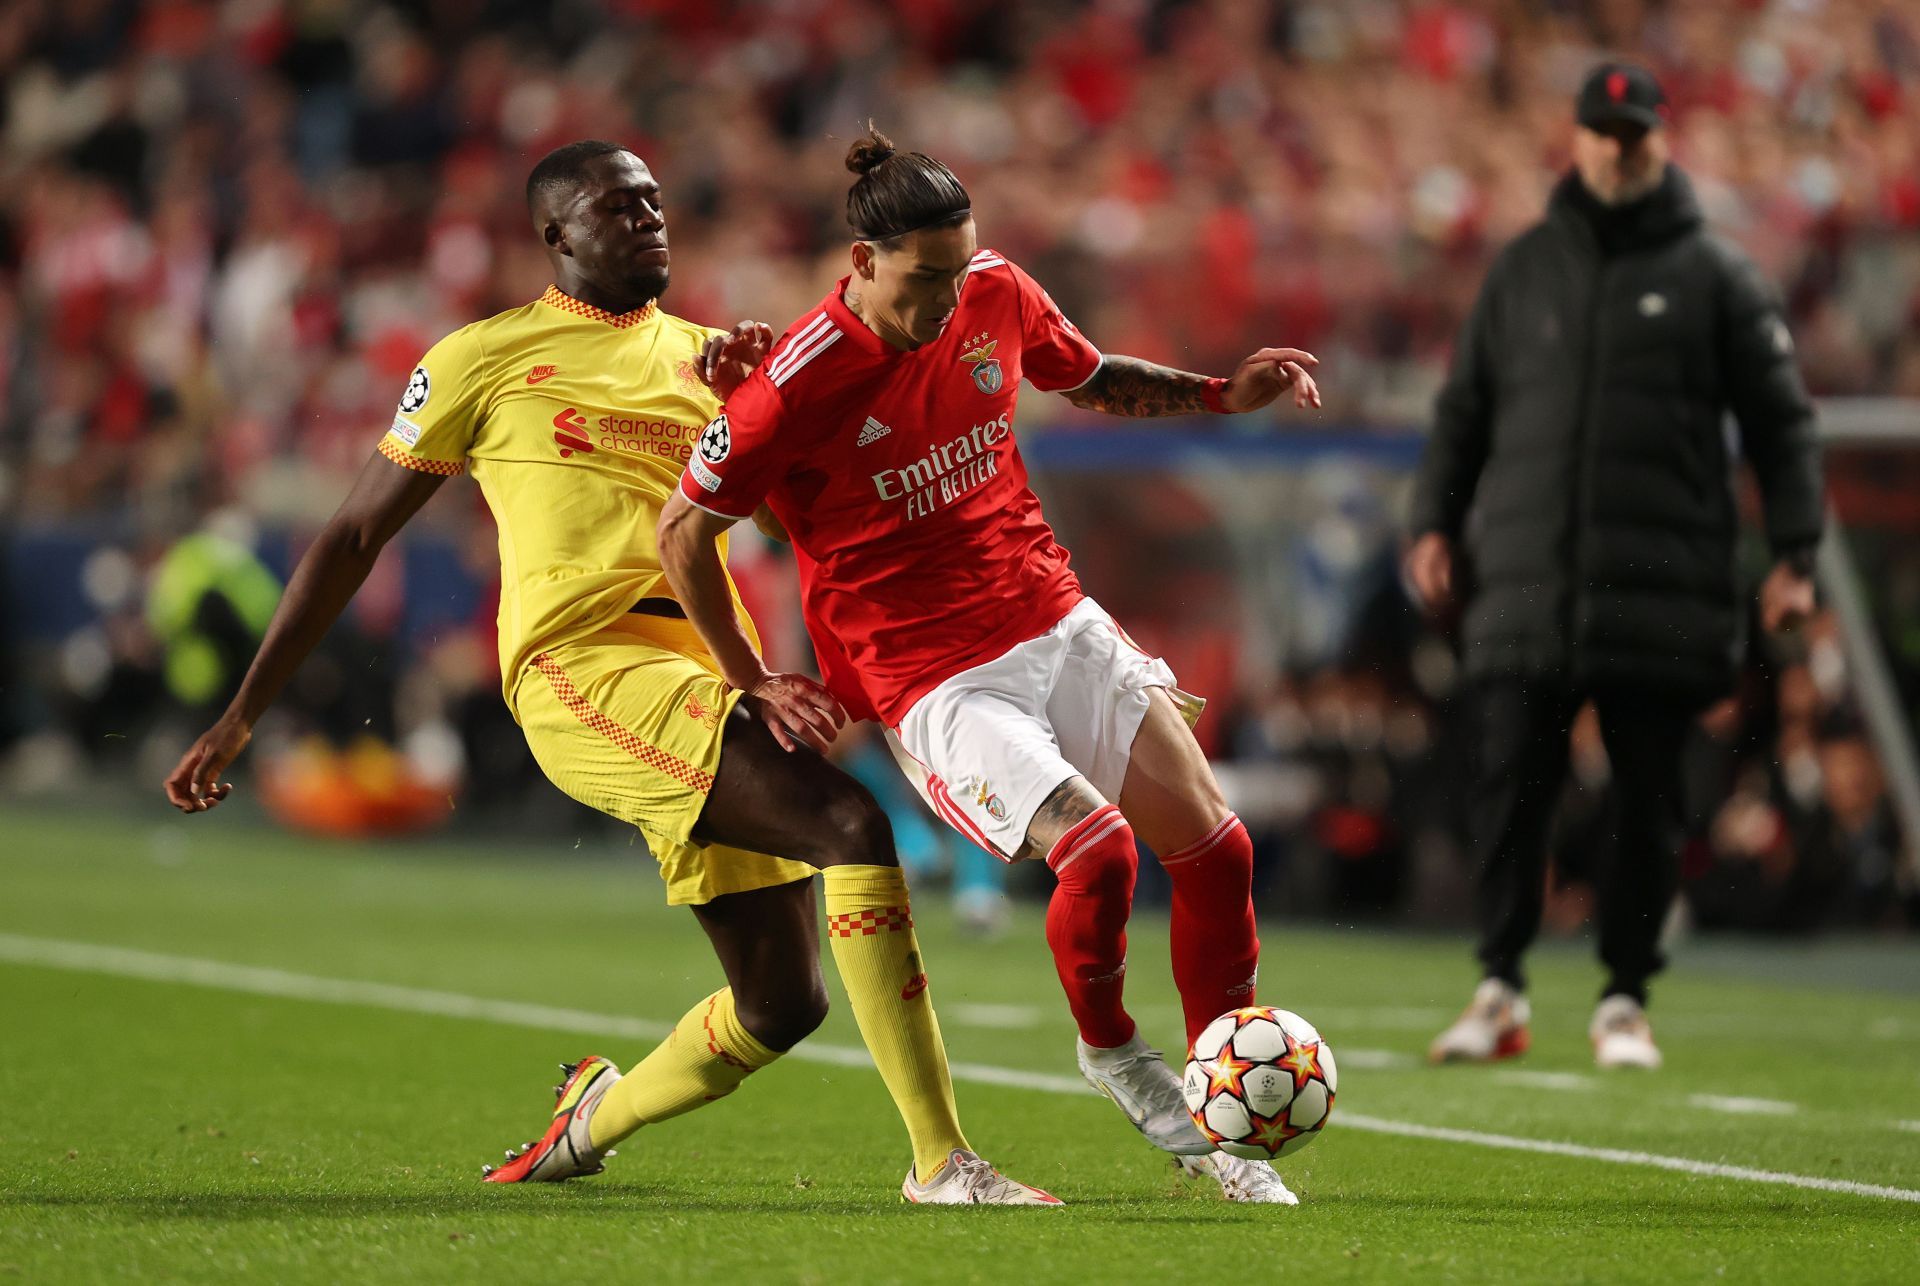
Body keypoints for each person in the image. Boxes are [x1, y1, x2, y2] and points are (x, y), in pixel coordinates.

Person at [161, 140, 1055, 1207]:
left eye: (654, 201)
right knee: (850, 826)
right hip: (583, 667)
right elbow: (354, 535)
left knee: (782, 1004)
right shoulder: (479, 358)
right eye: (617, 206)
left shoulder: (716, 357)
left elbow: (791, 518)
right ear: (556, 236)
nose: (648, 218)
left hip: (707, 678)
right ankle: (943, 1161)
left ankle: (591, 1121)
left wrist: (766, 411)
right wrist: (243, 713)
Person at [657, 127, 1321, 1205]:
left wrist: (1217, 393)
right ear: (861, 262)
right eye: (924, 279)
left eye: (959, 269)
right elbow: (683, 529)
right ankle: (1110, 1048)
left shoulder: (996, 291)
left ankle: (1224, 1117)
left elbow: (1092, 375)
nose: (945, 298)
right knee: (1097, 855)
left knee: (1219, 848)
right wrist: (751, 677)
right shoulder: (792, 382)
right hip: (932, 672)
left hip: (1049, 609)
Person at [1406, 64, 1824, 1070]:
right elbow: (1464, 410)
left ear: (1662, 141)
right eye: (1602, 130)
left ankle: (1625, 995)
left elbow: (1782, 423)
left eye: (1633, 133)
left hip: (1659, 582)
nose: (1617, 147)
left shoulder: (1719, 276)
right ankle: (1499, 985)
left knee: (1649, 798)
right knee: (1510, 783)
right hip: (1526, 575)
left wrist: (1797, 553)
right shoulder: (1524, 269)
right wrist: (1433, 521)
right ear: (1579, 138)